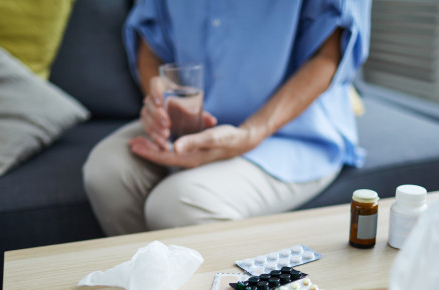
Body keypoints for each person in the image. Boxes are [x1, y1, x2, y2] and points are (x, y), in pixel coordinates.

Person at [83, 0, 371, 236]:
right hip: (195, 119)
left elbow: (328, 54)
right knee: (106, 173)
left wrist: (251, 132)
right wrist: (159, 99)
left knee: (179, 204)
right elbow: (151, 38)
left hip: (289, 130)